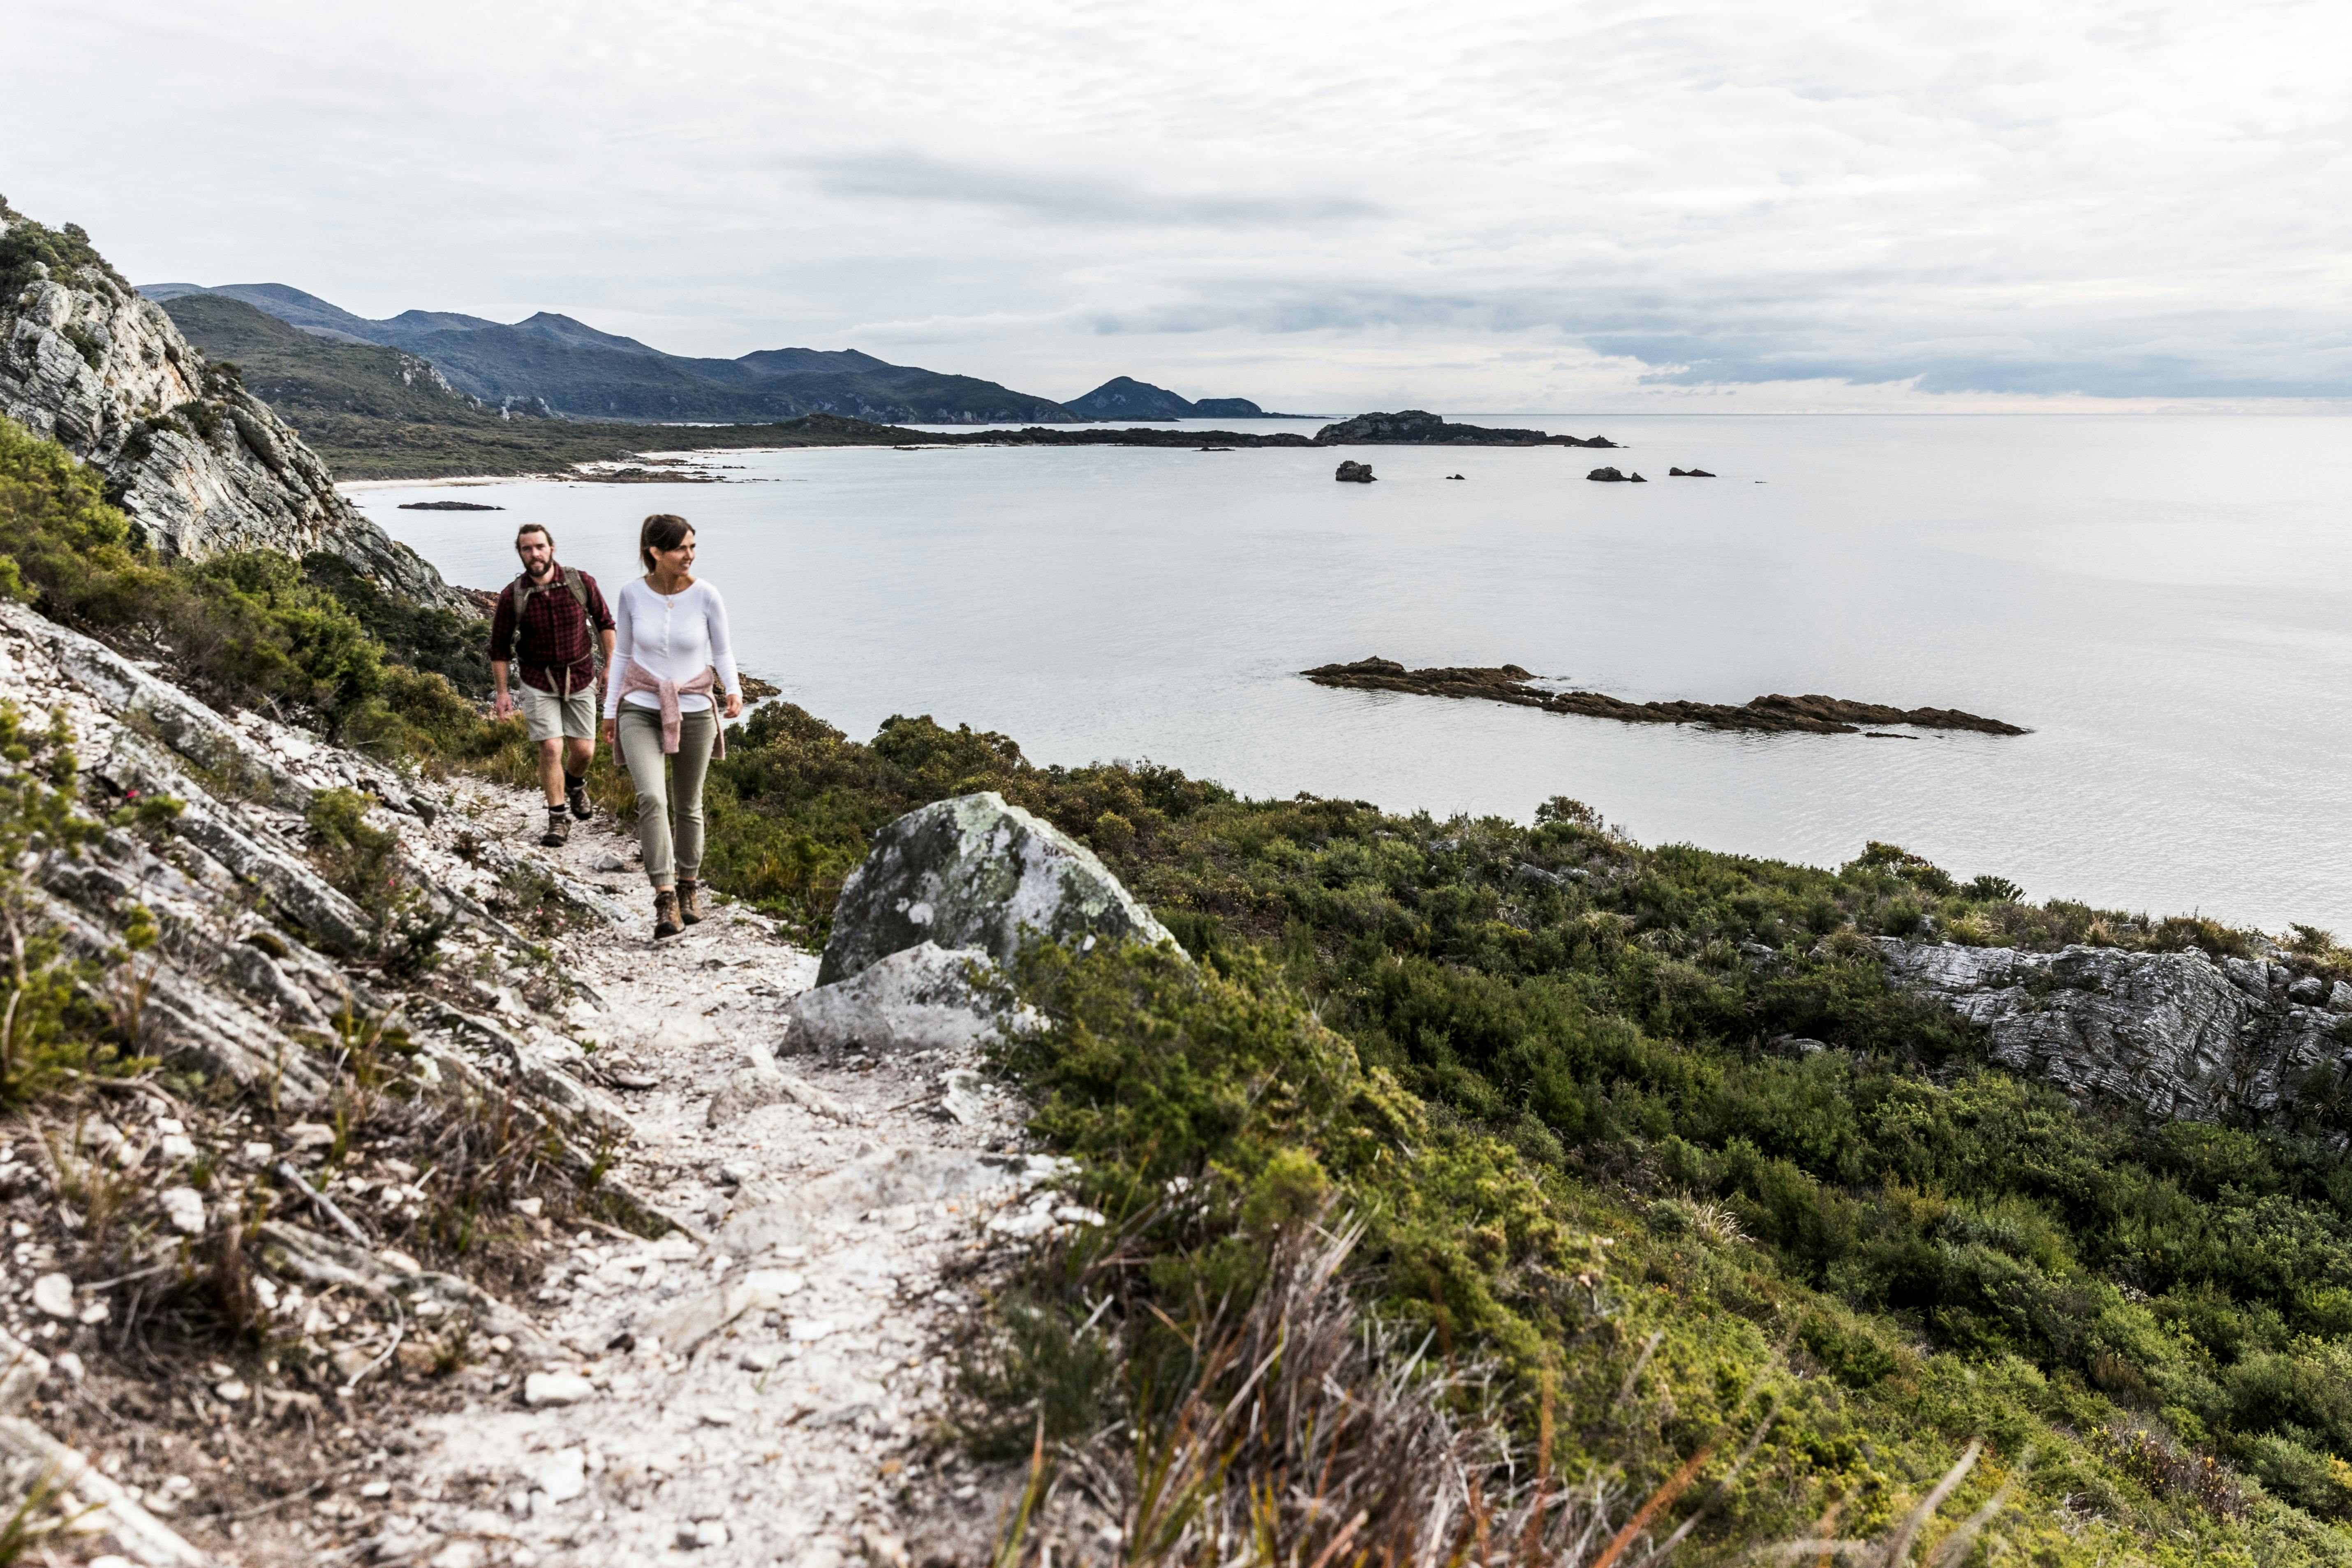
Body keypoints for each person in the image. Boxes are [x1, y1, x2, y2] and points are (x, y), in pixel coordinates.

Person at [601, 513, 742, 940]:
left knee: (688, 803)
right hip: (639, 706)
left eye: (693, 547)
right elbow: (622, 655)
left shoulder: (707, 595)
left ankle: (688, 887)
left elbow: (723, 649)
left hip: (696, 707)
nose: (690, 555)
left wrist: (733, 690)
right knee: (651, 797)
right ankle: (664, 896)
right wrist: (610, 711)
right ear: (655, 552)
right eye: (682, 548)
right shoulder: (630, 594)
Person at [489, 523, 616, 847]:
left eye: (540, 547)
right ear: (520, 553)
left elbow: (604, 622)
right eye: (527, 549)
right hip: (537, 680)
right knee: (550, 748)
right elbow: (500, 648)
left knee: (584, 752)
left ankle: (575, 783)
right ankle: (557, 819)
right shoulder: (512, 596)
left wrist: (611, 665)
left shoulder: (580, 582)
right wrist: (503, 693)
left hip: (580, 677)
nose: (535, 554)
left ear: (552, 548)